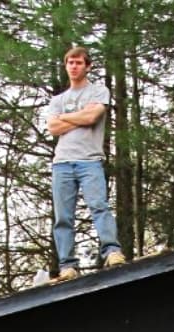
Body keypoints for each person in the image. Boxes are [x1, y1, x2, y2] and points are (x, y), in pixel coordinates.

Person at [45, 46, 126, 281]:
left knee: (99, 206)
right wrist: (78, 117)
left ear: (87, 66)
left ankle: (112, 251)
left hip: (89, 161)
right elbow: (53, 127)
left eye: (79, 62)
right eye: (70, 62)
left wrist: (65, 118)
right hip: (62, 163)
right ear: (65, 65)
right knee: (63, 217)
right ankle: (67, 266)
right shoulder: (58, 100)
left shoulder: (98, 91)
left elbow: (92, 117)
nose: (74, 66)